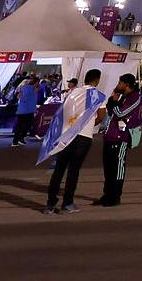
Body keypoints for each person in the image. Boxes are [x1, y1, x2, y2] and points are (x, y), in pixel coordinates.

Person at [42, 70, 109, 215]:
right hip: (83, 137)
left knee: (59, 169)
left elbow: (62, 113)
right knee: (74, 171)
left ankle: (50, 204)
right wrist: (89, 123)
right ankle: (68, 203)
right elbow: (101, 116)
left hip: (66, 135)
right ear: (97, 81)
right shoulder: (99, 96)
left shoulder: (71, 93)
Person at [95, 74, 142, 207]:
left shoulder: (134, 97)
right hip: (109, 136)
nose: (118, 85)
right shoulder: (121, 96)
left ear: (127, 84)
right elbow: (111, 111)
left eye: (120, 83)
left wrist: (114, 102)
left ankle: (115, 196)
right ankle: (107, 195)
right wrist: (113, 101)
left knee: (118, 169)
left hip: (121, 138)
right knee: (108, 169)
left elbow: (120, 114)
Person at [11, 75, 41, 147]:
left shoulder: (28, 88)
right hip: (25, 110)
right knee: (23, 125)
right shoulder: (28, 89)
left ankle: (20, 139)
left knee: (25, 125)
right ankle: (16, 140)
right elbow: (24, 98)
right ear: (36, 82)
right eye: (38, 82)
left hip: (26, 110)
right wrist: (33, 92)